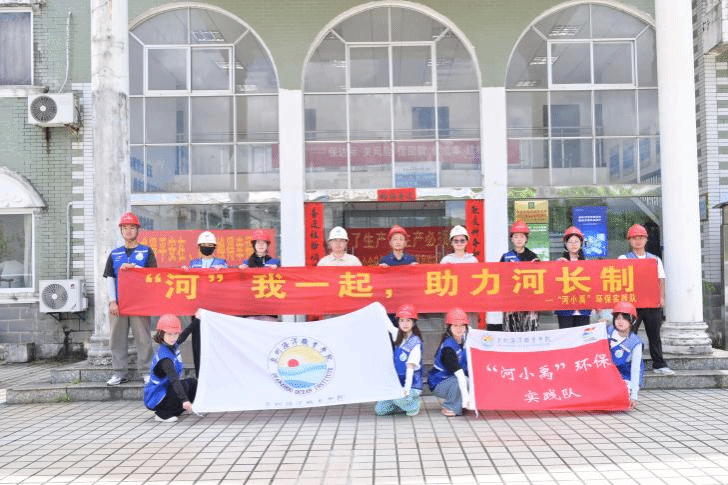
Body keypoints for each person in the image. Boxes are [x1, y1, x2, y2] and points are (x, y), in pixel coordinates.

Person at [103, 212, 156, 386]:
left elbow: (153, 275)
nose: (128, 231)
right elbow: (110, 278)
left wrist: (135, 268)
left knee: (143, 338)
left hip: (139, 303)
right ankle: (119, 372)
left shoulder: (146, 251)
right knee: (117, 339)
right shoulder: (114, 254)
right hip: (119, 304)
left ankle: (146, 371)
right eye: (125, 228)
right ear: (121, 231)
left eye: (132, 228)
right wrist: (112, 301)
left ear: (138, 230)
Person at [619, 223, 674, 375]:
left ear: (646, 240)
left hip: (652, 303)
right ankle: (626, 363)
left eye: (641, 238)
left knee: (654, 335)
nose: (638, 241)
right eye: (634, 238)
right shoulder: (624, 258)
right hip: (632, 305)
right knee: (628, 334)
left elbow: (661, 279)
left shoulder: (655, 259)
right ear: (629, 240)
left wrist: (661, 297)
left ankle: (659, 364)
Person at [183, 231, 228, 377]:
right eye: (204, 245)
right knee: (197, 342)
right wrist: (184, 272)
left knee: (216, 342)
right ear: (199, 247)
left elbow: (229, 281)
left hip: (216, 309)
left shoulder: (222, 263)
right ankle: (199, 375)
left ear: (214, 247)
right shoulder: (193, 263)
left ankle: (217, 374)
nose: (206, 247)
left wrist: (224, 272)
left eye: (210, 245)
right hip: (197, 309)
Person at [144, 314, 197, 423]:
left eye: (175, 334)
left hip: (166, 391)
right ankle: (162, 414)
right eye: (169, 334)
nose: (173, 337)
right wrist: (185, 400)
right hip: (157, 398)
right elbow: (174, 380)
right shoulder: (165, 359)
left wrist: (197, 319)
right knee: (183, 386)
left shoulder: (171, 345)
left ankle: (178, 408)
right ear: (161, 334)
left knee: (193, 383)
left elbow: (184, 335)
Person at [375, 303, 423, 417]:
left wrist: (406, 389)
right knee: (380, 410)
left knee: (398, 397)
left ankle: (413, 405)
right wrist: (379, 309)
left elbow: (410, 368)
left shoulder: (415, 342)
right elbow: (387, 324)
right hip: (397, 384)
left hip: (412, 385)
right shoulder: (397, 334)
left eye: (408, 320)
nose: (405, 324)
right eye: (402, 320)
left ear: (413, 322)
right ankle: (402, 404)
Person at [428, 307, 472, 417]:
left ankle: (460, 404)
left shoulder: (464, 340)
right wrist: (466, 398)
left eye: (462, 325)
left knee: (470, 381)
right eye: (455, 325)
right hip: (439, 382)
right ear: (449, 327)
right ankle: (450, 406)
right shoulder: (448, 348)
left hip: (453, 379)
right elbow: (460, 375)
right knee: (462, 381)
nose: (459, 329)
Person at [500, 220, 540, 332]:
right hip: (511, 302)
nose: (519, 239)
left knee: (529, 331)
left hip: (529, 301)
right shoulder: (506, 257)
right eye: (516, 236)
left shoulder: (533, 257)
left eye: (522, 236)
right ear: (511, 239)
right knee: (511, 332)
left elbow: (540, 280)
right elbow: (500, 278)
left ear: (526, 239)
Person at [607, 301, 644, 410]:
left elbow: (636, 369)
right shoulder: (608, 331)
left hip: (624, 376)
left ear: (632, 321)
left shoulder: (635, 342)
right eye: (617, 318)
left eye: (624, 318)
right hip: (606, 372)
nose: (620, 321)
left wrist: (634, 396)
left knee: (617, 397)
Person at [239, 229, 280, 321]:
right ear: (254, 245)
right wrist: (240, 271)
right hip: (251, 305)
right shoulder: (246, 263)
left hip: (268, 305)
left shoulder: (274, 262)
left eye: (263, 243)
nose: (260, 245)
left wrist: (277, 269)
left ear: (267, 245)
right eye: (258, 243)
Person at [555, 226, 592, 328]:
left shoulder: (588, 264)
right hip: (564, 308)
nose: (573, 244)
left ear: (581, 243)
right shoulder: (559, 263)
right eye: (570, 242)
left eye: (576, 241)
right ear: (565, 244)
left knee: (583, 336)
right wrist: (557, 266)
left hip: (583, 308)